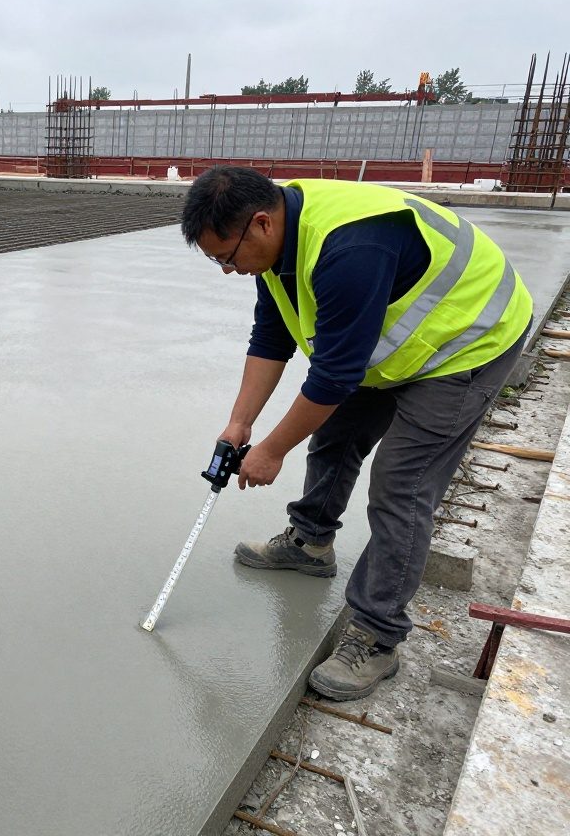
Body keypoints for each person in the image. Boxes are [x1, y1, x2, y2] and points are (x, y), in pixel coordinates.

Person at [180, 165, 532, 701]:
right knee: (336, 434)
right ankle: (310, 543)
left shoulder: (349, 249)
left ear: (259, 225)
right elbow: (272, 337)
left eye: (226, 257)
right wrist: (240, 423)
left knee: (401, 483)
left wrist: (271, 451)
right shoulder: (280, 243)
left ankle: (377, 634)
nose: (228, 270)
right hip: (392, 340)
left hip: (469, 339)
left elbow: (334, 375)